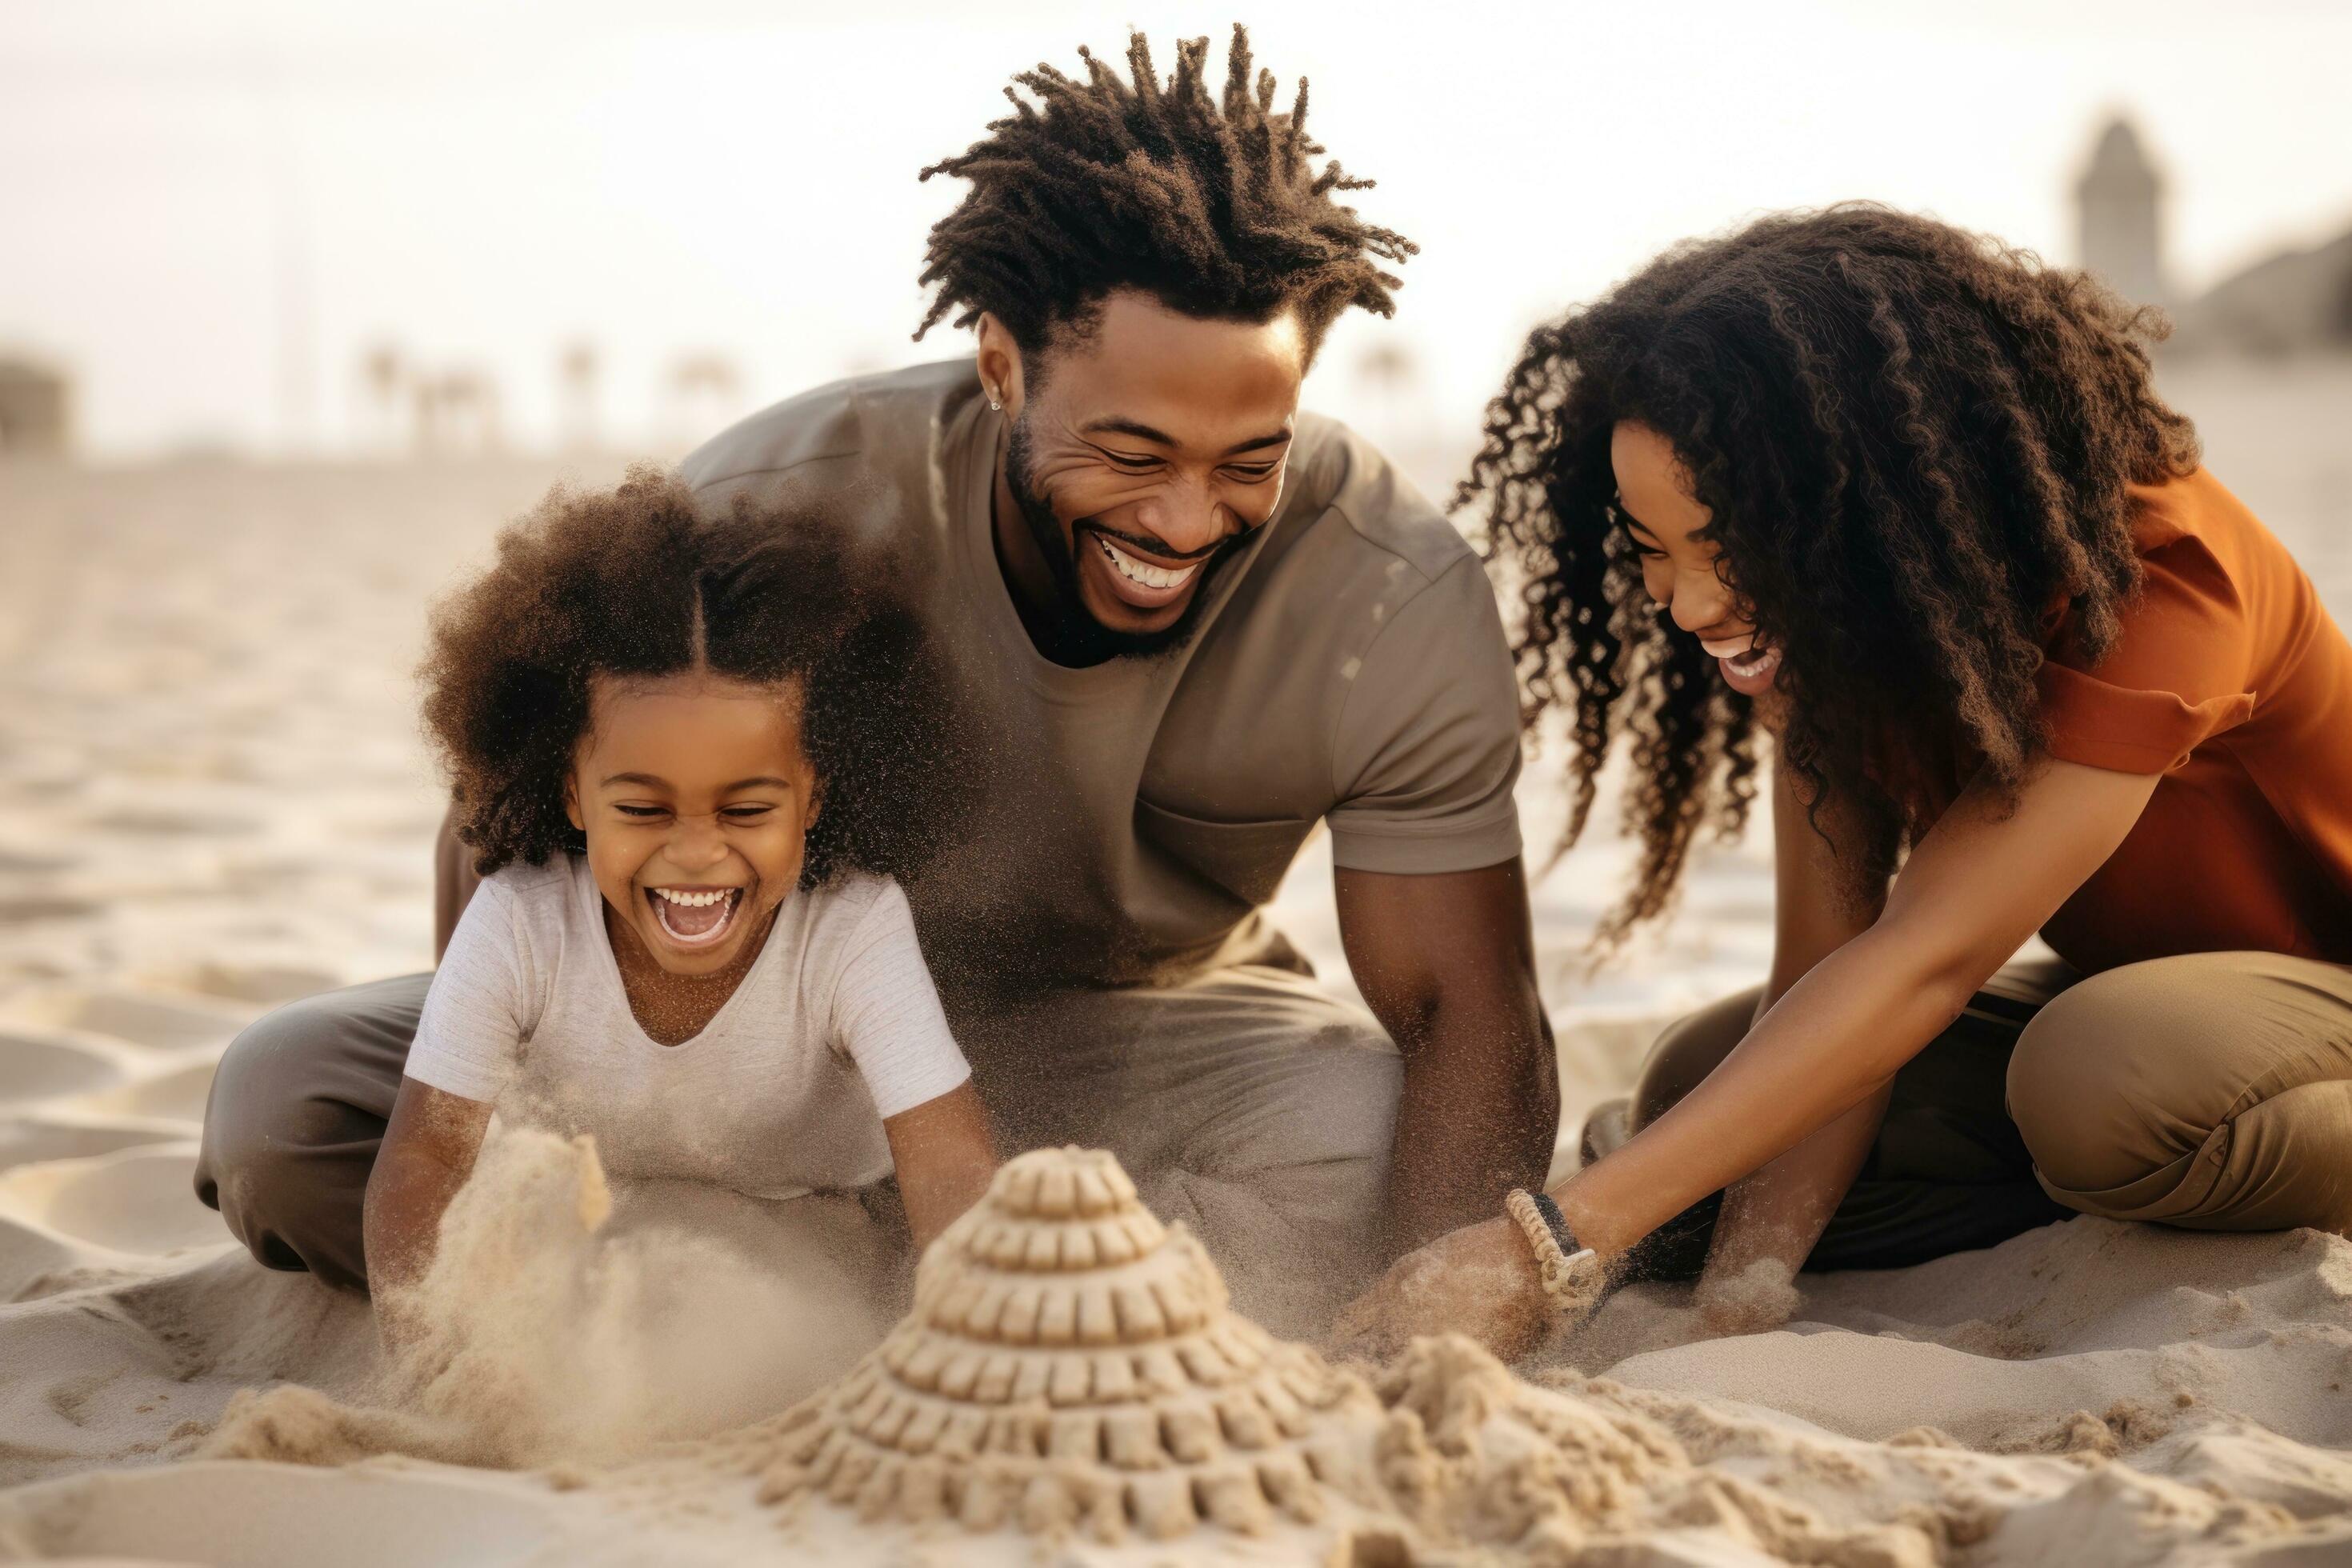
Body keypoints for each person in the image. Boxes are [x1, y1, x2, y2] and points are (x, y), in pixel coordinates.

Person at [197, 28, 1557, 1338]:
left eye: (1247, 460)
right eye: (1132, 455)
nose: (1188, 520)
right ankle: (800, 1255)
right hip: (756, 1025)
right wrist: (547, 1149)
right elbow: (503, 833)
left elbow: (1464, 1012)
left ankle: (840, 1282)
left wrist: (1425, 1338)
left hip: (1134, 1037)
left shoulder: (1390, 593)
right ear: (1002, 362)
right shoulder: (782, 509)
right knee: (284, 1112)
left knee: (1384, 1137)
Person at [1337, 205, 2352, 1358]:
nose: (1689, 606)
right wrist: (1737, 1300)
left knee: (2100, 1080)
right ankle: (2121, 1174)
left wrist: (1546, 1246)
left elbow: (1928, 962)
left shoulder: (2162, 575)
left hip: (2300, 995)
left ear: (1859, 494)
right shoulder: (1849, 627)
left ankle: (2138, 1158)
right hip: (2169, 1011)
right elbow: (1829, 964)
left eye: (1728, 541)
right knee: (1700, 1093)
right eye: (1653, 548)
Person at [360, 472, 997, 1332]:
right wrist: (433, 1357)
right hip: (592, 1224)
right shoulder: (520, 917)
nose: (696, 851)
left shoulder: (854, 925)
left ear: (815, 796)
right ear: (574, 795)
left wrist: (985, 1333)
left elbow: (948, 1160)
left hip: (812, 1224)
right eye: (643, 808)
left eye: (746, 809)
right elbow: (428, 1155)